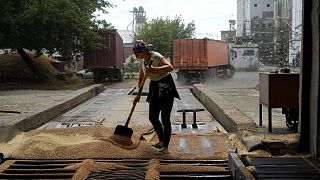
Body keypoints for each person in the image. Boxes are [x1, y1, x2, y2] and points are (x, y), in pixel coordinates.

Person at [132, 40, 180, 155]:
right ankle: (161, 140)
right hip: (154, 87)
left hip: (166, 86)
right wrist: (138, 94)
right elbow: (140, 79)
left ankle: (165, 147)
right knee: (153, 117)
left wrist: (154, 69)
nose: (136, 56)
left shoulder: (156, 56)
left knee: (165, 118)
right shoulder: (143, 62)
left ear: (143, 51)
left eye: (137, 53)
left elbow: (170, 67)